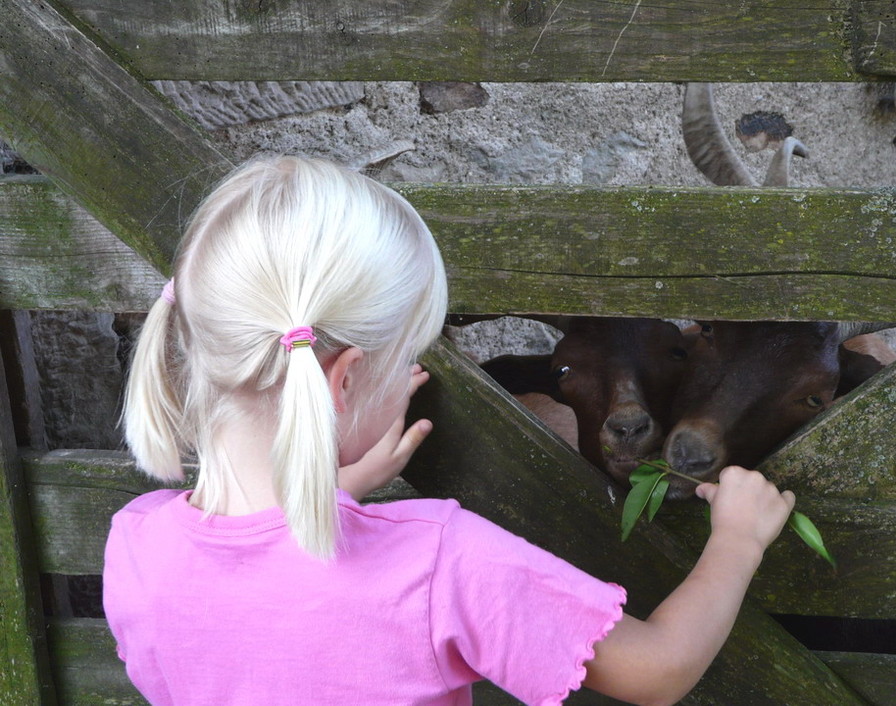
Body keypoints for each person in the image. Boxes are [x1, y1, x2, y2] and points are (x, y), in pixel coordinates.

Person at [105, 155, 795, 706]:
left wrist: (333, 486)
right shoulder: (441, 561)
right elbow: (659, 671)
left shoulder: (136, 545)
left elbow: (271, 603)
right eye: (411, 354)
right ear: (342, 383)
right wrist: (737, 540)